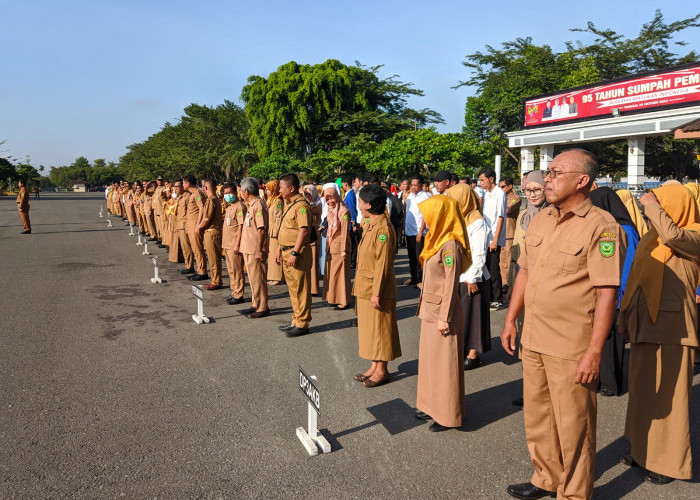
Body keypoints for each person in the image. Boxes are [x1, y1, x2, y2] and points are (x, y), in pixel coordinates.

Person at [501, 149, 622, 500]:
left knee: (574, 425)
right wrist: (511, 319)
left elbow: (606, 292)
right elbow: (524, 271)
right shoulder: (541, 218)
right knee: (538, 416)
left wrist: (594, 352)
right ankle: (546, 477)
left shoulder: (602, 226)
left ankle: (573, 492)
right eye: (547, 173)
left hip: (572, 344)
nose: (547, 179)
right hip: (534, 335)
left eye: (555, 173)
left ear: (581, 180)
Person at [618, 184, 700, 485]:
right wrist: (623, 317)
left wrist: (652, 204)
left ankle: (667, 463)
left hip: (674, 329)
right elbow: (636, 279)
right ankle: (642, 450)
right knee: (642, 393)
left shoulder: (693, 234)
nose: (652, 210)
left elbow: (673, 235)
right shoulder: (651, 239)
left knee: (670, 397)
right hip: (643, 324)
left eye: (662, 204)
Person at [414, 194, 470, 431]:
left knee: (445, 366)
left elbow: (450, 284)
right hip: (430, 309)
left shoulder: (450, 245)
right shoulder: (435, 239)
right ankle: (430, 406)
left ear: (441, 215)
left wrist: (445, 317)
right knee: (430, 363)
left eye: (428, 215)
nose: (425, 220)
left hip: (441, 313)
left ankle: (447, 415)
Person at [589, 187, 640, 397]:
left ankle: (612, 383)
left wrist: (620, 296)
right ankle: (601, 379)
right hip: (603, 293)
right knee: (602, 337)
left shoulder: (624, 229)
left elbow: (628, 266)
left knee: (613, 340)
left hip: (617, 294)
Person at [353, 184, 401, 387]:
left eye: (361, 201)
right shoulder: (370, 224)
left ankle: (382, 370)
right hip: (366, 286)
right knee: (371, 330)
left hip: (377, 288)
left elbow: (381, 264)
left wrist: (377, 293)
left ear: (369, 205)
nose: (358, 204)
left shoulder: (383, 229)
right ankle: (374, 365)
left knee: (380, 329)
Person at [446, 184, 491, 370]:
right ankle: (466, 349)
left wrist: (472, 278)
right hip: (462, 275)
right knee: (463, 315)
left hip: (473, 277)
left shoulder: (478, 221)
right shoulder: (462, 219)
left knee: (474, 316)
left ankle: (473, 354)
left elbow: (480, 253)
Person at [276, 174, 313, 337]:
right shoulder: (289, 204)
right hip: (286, 251)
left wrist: (294, 252)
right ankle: (296, 319)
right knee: (293, 288)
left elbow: (303, 231)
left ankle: (303, 323)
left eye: (281, 187)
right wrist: (279, 249)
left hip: (296, 253)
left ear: (291, 188)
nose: (279, 190)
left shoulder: (301, 206)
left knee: (301, 288)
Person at [239, 177, 269, 318]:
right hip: (248, 248)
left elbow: (261, 229)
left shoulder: (258, 205)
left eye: (241, 190)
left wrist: (259, 249)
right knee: (252, 279)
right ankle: (255, 304)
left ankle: (263, 307)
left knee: (258, 279)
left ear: (246, 191)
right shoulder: (251, 205)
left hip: (254, 249)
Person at [479, 169, 507, 309]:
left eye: (483, 180)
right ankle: (489, 296)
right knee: (486, 267)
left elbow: (501, 217)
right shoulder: (486, 194)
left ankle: (498, 298)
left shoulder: (499, 194)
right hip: (486, 236)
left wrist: (495, 239)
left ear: (491, 179)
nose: (481, 183)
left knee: (494, 268)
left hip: (494, 238)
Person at [322, 183, 352, 310]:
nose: (330, 201)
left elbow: (345, 232)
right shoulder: (331, 211)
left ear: (337, 197)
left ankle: (344, 300)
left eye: (332, 198)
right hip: (331, 246)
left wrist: (344, 249)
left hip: (340, 247)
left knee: (341, 275)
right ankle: (333, 298)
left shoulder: (344, 211)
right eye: (327, 199)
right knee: (332, 274)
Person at [221, 183, 246, 305]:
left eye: (230, 193)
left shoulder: (240, 207)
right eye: (226, 194)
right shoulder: (229, 206)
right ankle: (234, 291)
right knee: (231, 270)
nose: (228, 195)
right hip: (227, 243)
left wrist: (237, 244)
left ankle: (239, 293)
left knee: (237, 270)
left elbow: (241, 226)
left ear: (236, 193)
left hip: (234, 243)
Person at [197, 180, 224, 291]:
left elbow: (207, 218)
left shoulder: (211, 200)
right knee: (213, 258)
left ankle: (216, 281)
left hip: (212, 232)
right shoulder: (213, 199)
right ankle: (215, 280)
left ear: (206, 188)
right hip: (212, 232)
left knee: (213, 259)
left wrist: (199, 227)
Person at [404, 175, 430, 286]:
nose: (413, 187)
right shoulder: (410, 196)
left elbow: (425, 216)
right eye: (412, 185)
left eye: (416, 185)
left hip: (419, 233)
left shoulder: (425, 197)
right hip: (409, 231)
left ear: (421, 185)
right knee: (411, 256)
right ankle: (413, 277)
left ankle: (421, 280)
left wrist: (420, 232)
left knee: (419, 257)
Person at [183, 175, 208, 282]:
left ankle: (202, 272)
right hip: (191, 225)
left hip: (195, 226)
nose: (183, 185)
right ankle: (199, 270)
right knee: (195, 249)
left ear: (188, 184)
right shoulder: (192, 194)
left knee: (198, 249)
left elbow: (202, 209)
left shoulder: (197, 193)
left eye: (183, 183)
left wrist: (198, 225)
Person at [499, 176, 521, 293]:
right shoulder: (500, 197)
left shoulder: (515, 198)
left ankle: (508, 284)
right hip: (500, 233)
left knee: (508, 260)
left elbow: (507, 209)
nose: (500, 189)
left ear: (510, 186)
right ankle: (503, 283)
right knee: (500, 261)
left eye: (503, 187)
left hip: (509, 233)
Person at [303, 185, 323, 296]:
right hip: (306, 234)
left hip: (314, 233)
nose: (307, 197)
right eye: (305, 194)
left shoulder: (317, 204)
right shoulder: (306, 204)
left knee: (314, 262)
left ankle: (314, 288)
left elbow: (313, 209)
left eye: (309, 194)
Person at [266, 180, 284, 285]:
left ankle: (277, 277)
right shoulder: (270, 200)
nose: (267, 191)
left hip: (275, 232)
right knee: (272, 254)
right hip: (270, 230)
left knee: (276, 254)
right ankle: (272, 276)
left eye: (269, 189)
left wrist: (276, 231)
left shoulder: (278, 201)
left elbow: (279, 217)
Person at [174, 181, 195, 274]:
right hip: (179, 224)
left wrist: (187, 225)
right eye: (175, 186)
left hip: (184, 225)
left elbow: (188, 213)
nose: (176, 188)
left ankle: (189, 266)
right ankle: (187, 264)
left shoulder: (188, 197)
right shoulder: (180, 197)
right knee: (183, 247)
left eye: (178, 186)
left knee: (187, 247)